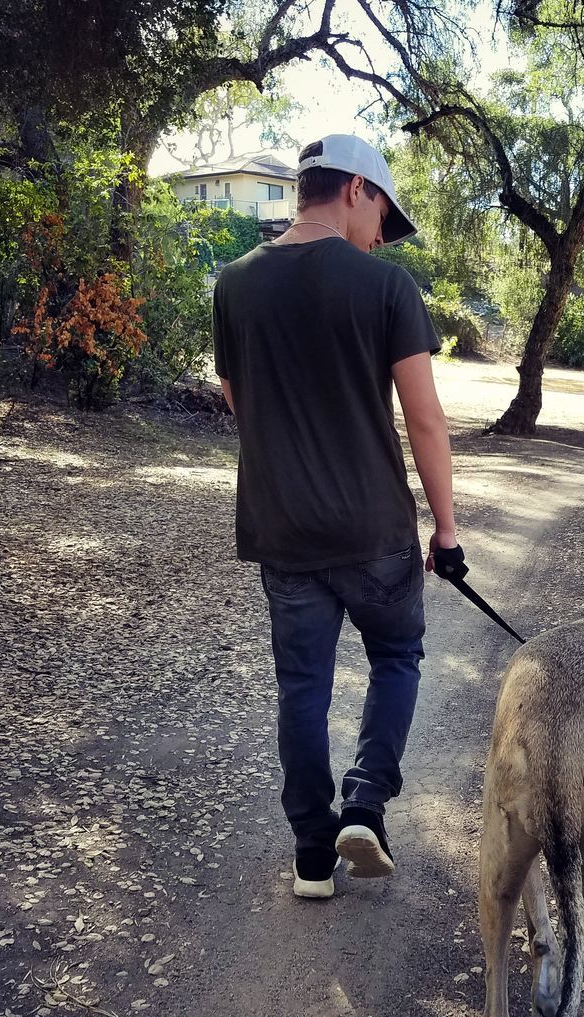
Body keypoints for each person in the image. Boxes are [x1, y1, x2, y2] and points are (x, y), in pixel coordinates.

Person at [211, 134, 459, 900]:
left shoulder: (234, 284)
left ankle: (313, 854)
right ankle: (365, 804)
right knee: (396, 659)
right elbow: (425, 422)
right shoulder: (386, 289)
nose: (383, 234)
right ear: (356, 188)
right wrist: (446, 531)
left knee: (302, 688)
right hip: (374, 532)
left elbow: (237, 398)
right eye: (384, 211)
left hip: (282, 531)